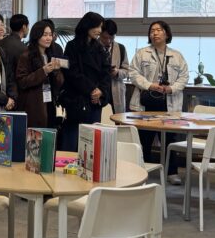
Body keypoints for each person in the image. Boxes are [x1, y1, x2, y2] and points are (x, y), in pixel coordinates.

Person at [128, 20, 190, 178]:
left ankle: (172, 172)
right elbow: (133, 73)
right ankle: (143, 171)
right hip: (146, 102)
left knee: (170, 139)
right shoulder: (142, 53)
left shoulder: (177, 55)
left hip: (169, 103)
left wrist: (171, 88)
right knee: (144, 139)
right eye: (152, 30)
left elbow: (184, 77)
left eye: (158, 30)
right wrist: (150, 85)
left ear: (166, 34)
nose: (154, 33)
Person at [59, 12, 110, 151]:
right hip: (77, 100)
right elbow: (72, 73)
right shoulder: (72, 46)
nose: (99, 30)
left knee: (92, 142)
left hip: (95, 101)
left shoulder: (99, 47)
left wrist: (101, 91)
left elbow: (106, 72)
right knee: (73, 139)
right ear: (87, 25)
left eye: (101, 27)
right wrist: (92, 89)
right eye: (97, 27)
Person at [16, 20, 65, 129]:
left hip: (50, 102)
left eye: (50, 35)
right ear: (36, 36)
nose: (48, 38)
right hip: (33, 105)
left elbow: (60, 83)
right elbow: (22, 82)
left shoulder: (51, 54)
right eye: (45, 35)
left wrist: (56, 71)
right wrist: (43, 71)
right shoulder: (26, 56)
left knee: (50, 133)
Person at [99, 19, 131, 115]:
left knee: (117, 118)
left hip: (116, 91)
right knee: (98, 119)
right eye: (105, 38)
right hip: (99, 90)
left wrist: (117, 72)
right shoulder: (92, 46)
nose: (108, 41)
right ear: (100, 34)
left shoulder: (121, 48)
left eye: (111, 38)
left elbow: (127, 71)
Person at [0, 13, 29, 89]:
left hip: (0, 84)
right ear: (24, 27)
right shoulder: (24, 48)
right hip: (15, 87)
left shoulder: (0, 42)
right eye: (28, 26)